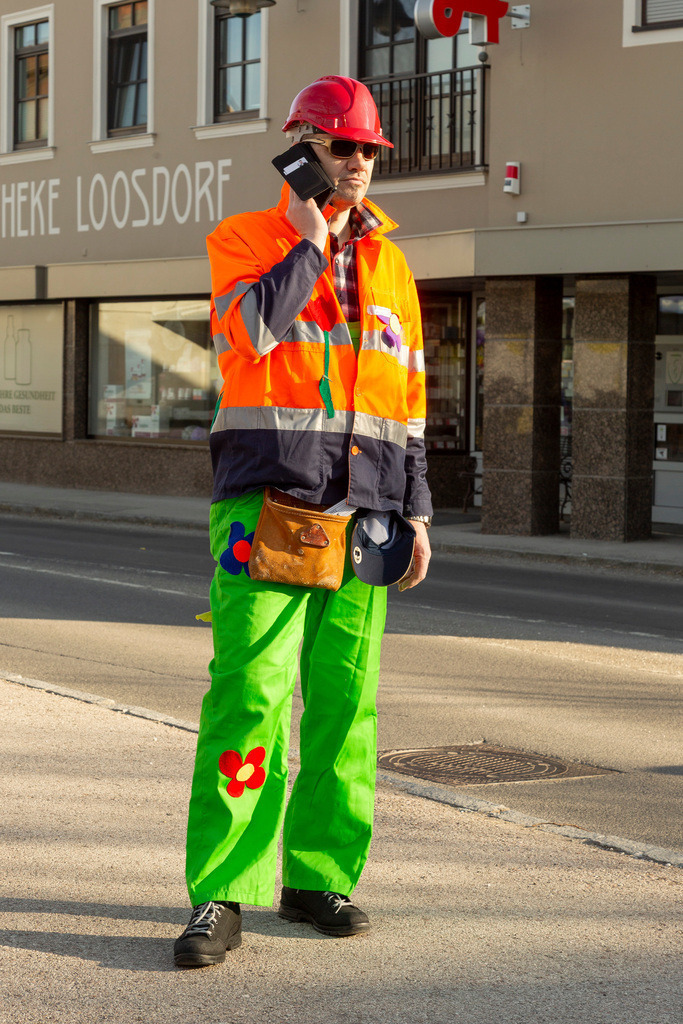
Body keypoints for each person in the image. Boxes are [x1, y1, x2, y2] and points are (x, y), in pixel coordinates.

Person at [174, 75, 433, 969]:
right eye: (337, 146)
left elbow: (408, 402)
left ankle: (317, 876)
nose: (356, 163)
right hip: (268, 504)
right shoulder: (244, 239)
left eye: (366, 150)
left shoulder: (395, 266)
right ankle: (223, 889)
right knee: (249, 698)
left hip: (366, 518)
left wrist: (418, 511)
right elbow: (249, 334)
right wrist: (311, 241)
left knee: (344, 710)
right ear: (298, 147)